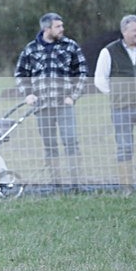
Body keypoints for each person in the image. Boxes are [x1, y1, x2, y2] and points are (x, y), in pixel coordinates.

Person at [14, 12, 88, 186]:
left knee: (71, 142)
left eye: (62, 26)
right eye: (58, 26)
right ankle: (56, 183)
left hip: (64, 104)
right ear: (47, 28)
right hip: (42, 107)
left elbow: (82, 73)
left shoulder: (70, 46)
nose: (62, 29)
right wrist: (28, 94)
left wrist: (73, 96)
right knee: (50, 145)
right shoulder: (31, 49)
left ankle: (76, 183)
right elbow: (20, 73)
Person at [93, 14, 136, 192]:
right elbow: (100, 80)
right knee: (124, 148)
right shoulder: (109, 51)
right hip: (121, 109)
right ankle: (127, 189)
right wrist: (118, 94)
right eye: (135, 30)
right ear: (124, 31)